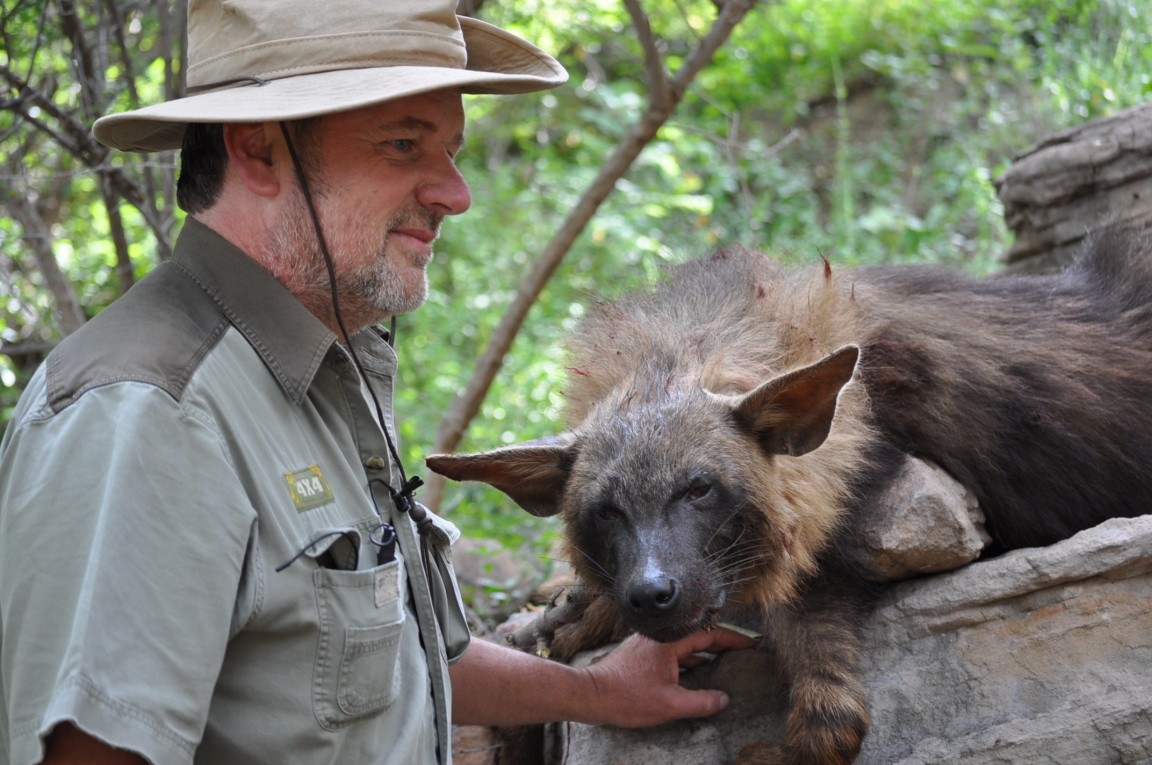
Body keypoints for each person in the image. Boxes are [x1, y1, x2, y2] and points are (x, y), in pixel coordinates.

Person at [0, 1, 753, 763]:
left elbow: (395, 660)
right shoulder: (148, 414)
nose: (455, 194)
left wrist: (597, 693)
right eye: (403, 145)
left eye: (452, 151)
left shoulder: (316, 365)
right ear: (259, 150)